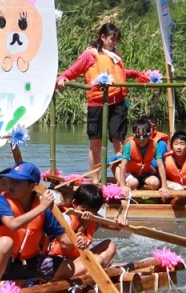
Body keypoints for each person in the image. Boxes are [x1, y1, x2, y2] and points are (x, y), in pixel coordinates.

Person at [56, 23, 145, 183]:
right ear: (102, 37)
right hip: (98, 103)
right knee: (95, 143)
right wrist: (63, 78)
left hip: (118, 103)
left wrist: (139, 74)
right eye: (112, 39)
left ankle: (121, 179)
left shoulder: (116, 54)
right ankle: (95, 179)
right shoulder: (90, 54)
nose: (114, 43)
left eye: (116, 40)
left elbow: (120, 74)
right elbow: (74, 70)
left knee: (119, 142)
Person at [0, 162, 75, 293]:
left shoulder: (43, 209)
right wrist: (41, 207)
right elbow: (12, 225)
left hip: (26, 263)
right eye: (11, 181)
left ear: (32, 187)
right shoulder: (1, 200)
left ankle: (23, 282)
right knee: (6, 242)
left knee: (69, 267)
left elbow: (64, 241)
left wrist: (76, 240)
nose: (11, 185)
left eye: (17, 182)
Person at [49, 184, 127, 277]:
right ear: (74, 203)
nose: (87, 214)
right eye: (84, 210)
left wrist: (121, 223)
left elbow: (116, 227)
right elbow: (65, 245)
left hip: (76, 259)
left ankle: (94, 275)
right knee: (97, 259)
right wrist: (83, 225)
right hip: (61, 263)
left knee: (110, 245)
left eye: (92, 212)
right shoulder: (65, 218)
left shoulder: (92, 216)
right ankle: (94, 274)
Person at [117, 118, 162, 193]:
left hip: (146, 173)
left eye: (144, 135)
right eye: (138, 136)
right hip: (131, 174)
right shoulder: (129, 145)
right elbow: (124, 165)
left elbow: (160, 166)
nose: (141, 139)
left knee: (155, 183)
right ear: (133, 135)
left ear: (149, 134)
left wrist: (164, 186)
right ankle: (131, 184)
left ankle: (141, 186)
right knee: (133, 183)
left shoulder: (154, 144)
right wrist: (123, 185)